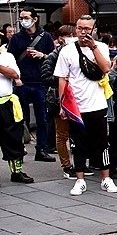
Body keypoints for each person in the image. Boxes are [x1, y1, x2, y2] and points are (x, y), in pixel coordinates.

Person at [54, 14, 117, 196]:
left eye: (87, 29)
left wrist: (93, 47)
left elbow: (106, 68)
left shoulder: (102, 47)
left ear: (94, 30)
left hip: (98, 104)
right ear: (76, 29)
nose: (83, 32)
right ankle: (80, 179)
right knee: (77, 144)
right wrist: (62, 105)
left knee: (102, 143)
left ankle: (106, 178)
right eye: (80, 28)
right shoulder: (66, 50)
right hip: (76, 106)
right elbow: (62, 78)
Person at [7, 7, 56, 162]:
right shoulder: (16, 38)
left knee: (42, 118)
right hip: (22, 82)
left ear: (35, 19)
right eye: (21, 18)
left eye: (26, 17)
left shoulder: (46, 37)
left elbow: (54, 57)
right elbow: (10, 59)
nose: (23, 21)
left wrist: (43, 55)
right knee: (20, 118)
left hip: (40, 82)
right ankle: (19, 148)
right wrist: (16, 78)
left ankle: (41, 149)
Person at [41, 24, 77, 176]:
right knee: (62, 134)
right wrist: (61, 78)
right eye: (69, 36)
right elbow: (45, 77)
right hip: (58, 98)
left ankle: (79, 163)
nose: (72, 39)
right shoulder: (53, 56)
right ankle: (66, 165)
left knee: (77, 133)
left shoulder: (78, 53)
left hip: (77, 98)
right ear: (60, 38)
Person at [0, 46, 34, 183]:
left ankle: (17, 172)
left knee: (13, 139)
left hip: (6, 103)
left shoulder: (7, 57)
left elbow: (15, 75)